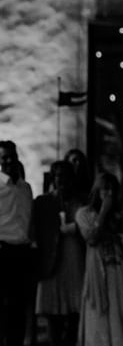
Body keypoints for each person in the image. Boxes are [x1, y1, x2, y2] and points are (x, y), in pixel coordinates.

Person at [75, 173, 123, 346]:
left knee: (119, 316)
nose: (110, 193)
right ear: (97, 191)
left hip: (119, 270)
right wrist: (104, 212)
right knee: (99, 319)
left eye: (113, 189)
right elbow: (91, 238)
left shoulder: (122, 214)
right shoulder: (84, 213)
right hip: (97, 272)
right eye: (105, 189)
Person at [34, 160, 86, 346]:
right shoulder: (43, 201)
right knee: (52, 309)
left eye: (66, 176)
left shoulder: (81, 200)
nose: (62, 180)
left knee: (75, 307)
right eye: (58, 176)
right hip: (51, 256)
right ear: (53, 178)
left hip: (74, 255)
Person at [0, 141, 35, 346]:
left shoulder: (25, 188)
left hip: (22, 252)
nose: (9, 160)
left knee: (18, 307)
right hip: (2, 249)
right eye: (4, 157)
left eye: (11, 156)